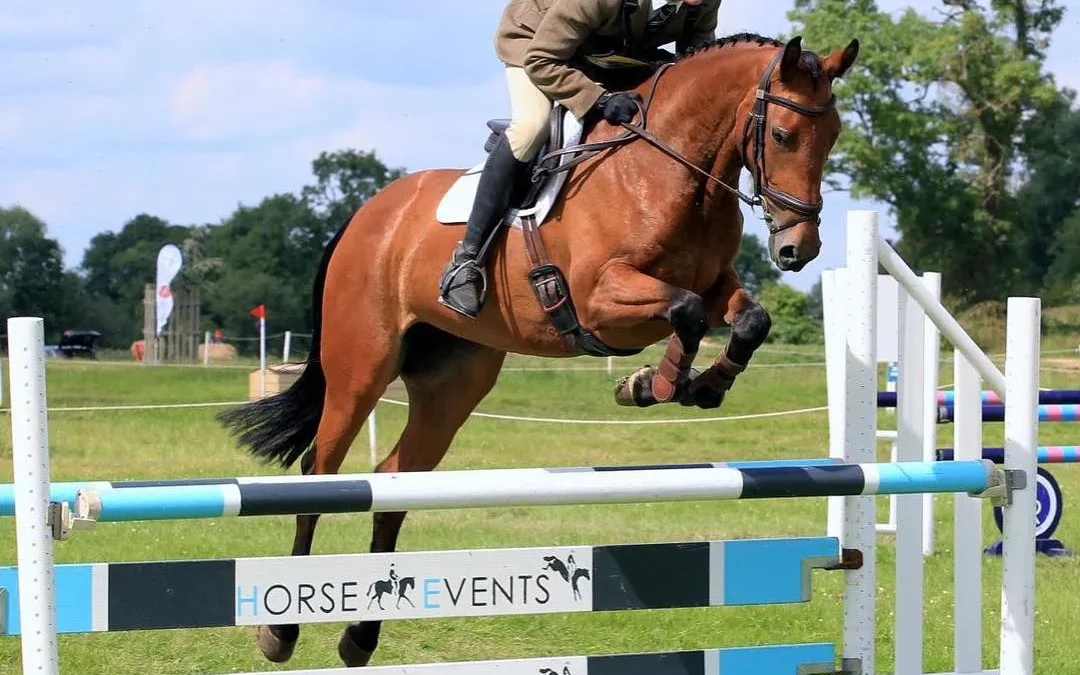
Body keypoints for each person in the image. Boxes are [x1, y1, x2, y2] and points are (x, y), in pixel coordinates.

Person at [438, 0, 722, 319]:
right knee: (532, 127)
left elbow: (697, 59)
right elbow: (542, 59)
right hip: (537, 46)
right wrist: (597, 101)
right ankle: (467, 259)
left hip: (606, 49)